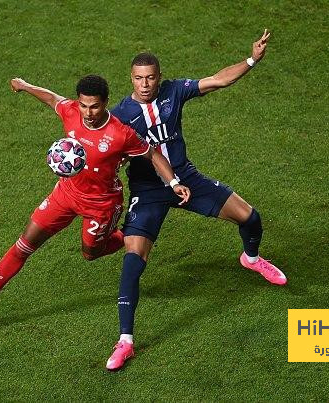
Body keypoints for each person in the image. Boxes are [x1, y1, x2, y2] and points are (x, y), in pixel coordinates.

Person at [105, 29, 286, 370]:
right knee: (132, 261)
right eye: (139, 78)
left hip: (186, 177)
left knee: (250, 217)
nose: (145, 84)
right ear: (131, 79)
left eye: (151, 78)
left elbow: (217, 80)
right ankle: (125, 341)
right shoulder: (120, 116)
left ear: (159, 77)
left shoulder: (174, 91)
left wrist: (252, 59)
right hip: (149, 191)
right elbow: (115, 158)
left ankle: (251, 258)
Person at [0, 74, 190, 319]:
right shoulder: (71, 112)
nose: (88, 113)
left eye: (95, 106)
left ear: (106, 102)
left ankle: (132, 236)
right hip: (65, 195)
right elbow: (51, 98)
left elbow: (152, 154)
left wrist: (173, 182)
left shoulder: (121, 134)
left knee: (91, 254)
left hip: (102, 205)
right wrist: (25, 86)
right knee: (25, 243)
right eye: (84, 105)